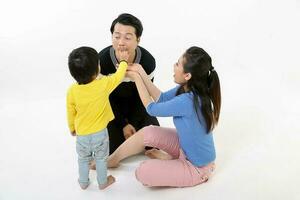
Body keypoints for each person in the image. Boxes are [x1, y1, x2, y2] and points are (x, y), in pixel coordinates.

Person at [108, 46, 221, 187]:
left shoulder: (188, 100)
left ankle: (171, 160)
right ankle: (113, 159)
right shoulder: (186, 89)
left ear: (187, 76)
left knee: (142, 172)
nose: (174, 66)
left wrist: (136, 78)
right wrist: (141, 72)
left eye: (177, 64)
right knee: (148, 131)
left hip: (197, 168)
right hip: (185, 148)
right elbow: (161, 98)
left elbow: (151, 109)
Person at [66, 46, 129, 190]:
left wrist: (72, 128)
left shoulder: (72, 91)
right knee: (101, 159)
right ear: (96, 71)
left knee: (83, 159)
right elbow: (118, 77)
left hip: (81, 134)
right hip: (100, 133)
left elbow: (70, 112)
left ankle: (83, 182)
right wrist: (124, 62)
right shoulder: (103, 84)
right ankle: (102, 182)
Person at [98, 13, 160, 154]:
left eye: (127, 37)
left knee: (156, 142)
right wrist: (123, 124)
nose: (121, 42)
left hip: (137, 108)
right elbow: (105, 98)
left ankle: (135, 139)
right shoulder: (102, 61)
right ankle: (129, 141)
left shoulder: (147, 61)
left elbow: (144, 97)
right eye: (117, 36)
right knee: (111, 149)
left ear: (138, 39)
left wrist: (132, 121)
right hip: (111, 110)